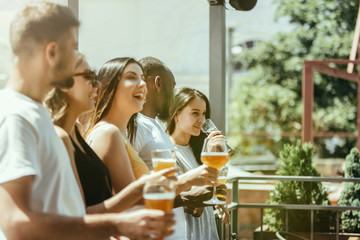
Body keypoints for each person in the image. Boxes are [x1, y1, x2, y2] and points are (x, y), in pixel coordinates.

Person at [0, 3, 174, 239]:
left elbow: (71, 214)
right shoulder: (16, 115)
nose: (77, 57)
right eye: (72, 48)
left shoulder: (37, 115)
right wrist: (117, 225)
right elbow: (16, 224)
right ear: (51, 52)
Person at [44, 53, 175, 214]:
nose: (96, 85)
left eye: (142, 78)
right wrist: (184, 182)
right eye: (88, 77)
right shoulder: (96, 133)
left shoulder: (77, 132)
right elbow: (80, 215)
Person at [167, 87, 230, 240]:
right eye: (195, 113)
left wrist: (216, 198)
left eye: (203, 114)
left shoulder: (196, 149)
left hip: (205, 229)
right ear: (176, 114)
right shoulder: (167, 149)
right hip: (187, 231)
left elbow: (205, 184)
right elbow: (182, 196)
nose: (201, 120)